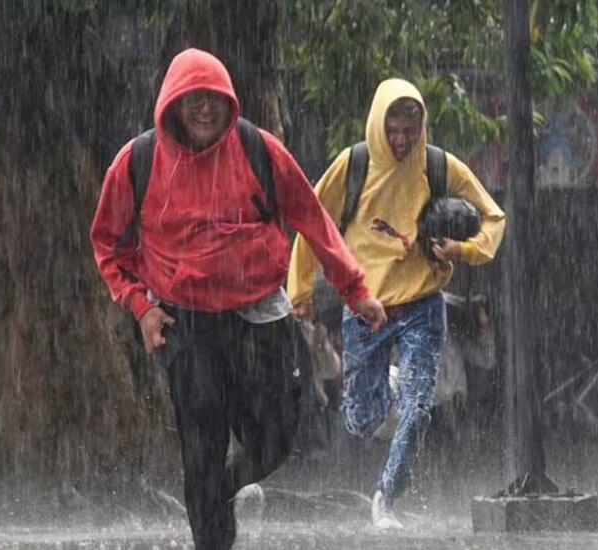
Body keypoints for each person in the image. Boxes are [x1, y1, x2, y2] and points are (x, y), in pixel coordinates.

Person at [90, 48, 385, 550]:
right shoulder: (138, 161)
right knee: (200, 449)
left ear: (230, 102)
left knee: (277, 438)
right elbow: (108, 245)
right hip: (186, 324)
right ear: (172, 104)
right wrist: (141, 308)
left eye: (214, 98)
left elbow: (314, 221)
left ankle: (220, 491)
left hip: (259, 316)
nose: (205, 108)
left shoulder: (258, 149)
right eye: (193, 99)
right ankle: (211, 528)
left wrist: (356, 291)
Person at [286, 78, 505, 530]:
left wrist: (463, 249)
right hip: (365, 307)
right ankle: (388, 382)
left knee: (419, 409)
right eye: (393, 131)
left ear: (422, 127)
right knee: (362, 420)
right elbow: (313, 221)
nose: (402, 140)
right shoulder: (353, 165)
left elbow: (493, 217)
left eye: (410, 130)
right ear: (377, 126)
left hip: (424, 307)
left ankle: (387, 495)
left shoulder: (439, 165)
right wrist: (300, 291)